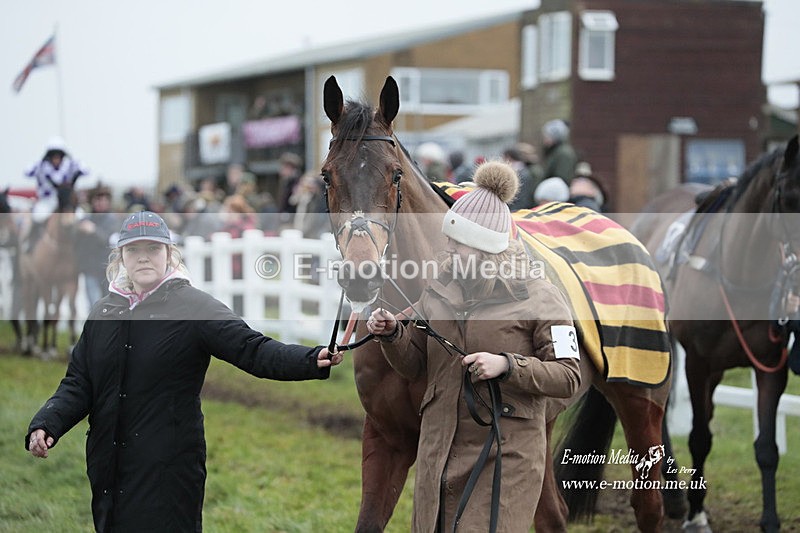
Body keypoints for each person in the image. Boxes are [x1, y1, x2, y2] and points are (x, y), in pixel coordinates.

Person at [26, 210, 342, 532]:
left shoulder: (194, 307)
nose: (143, 258)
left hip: (169, 468)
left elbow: (252, 349)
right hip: (108, 465)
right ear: (121, 256)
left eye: (153, 249)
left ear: (169, 253)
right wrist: (48, 422)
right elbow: (80, 381)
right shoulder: (104, 311)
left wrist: (309, 358)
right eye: (133, 250)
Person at [366, 161, 581, 532]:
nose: (448, 248)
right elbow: (416, 365)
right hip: (439, 452)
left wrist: (508, 366)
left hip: (504, 456)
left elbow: (569, 377)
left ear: (487, 248)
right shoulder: (439, 284)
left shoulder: (543, 298)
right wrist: (392, 336)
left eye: (458, 242)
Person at [24, 136, 89, 250]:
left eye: (58, 155)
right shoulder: (41, 166)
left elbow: (86, 170)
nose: (56, 158)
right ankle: (30, 243)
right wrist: (40, 166)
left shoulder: (70, 165)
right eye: (53, 155)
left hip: (66, 203)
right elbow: (27, 172)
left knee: (80, 215)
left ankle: (82, 244)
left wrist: (75, 170)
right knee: (37, 217)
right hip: (47, 202)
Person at [76, 184, 122, 306]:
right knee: (94, 306)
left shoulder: (113, 220)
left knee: (108, 305)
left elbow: (110, 240)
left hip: (107, 271)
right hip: (90, 269)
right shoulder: (86, 219)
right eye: (97, 199)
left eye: (103, 199)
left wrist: (93, 230)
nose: (100, 202)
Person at [541, 119, 578, 183]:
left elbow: (562, 178)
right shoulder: (554, 151)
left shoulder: (564, 154)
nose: (544, 140)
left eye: (547, 136)